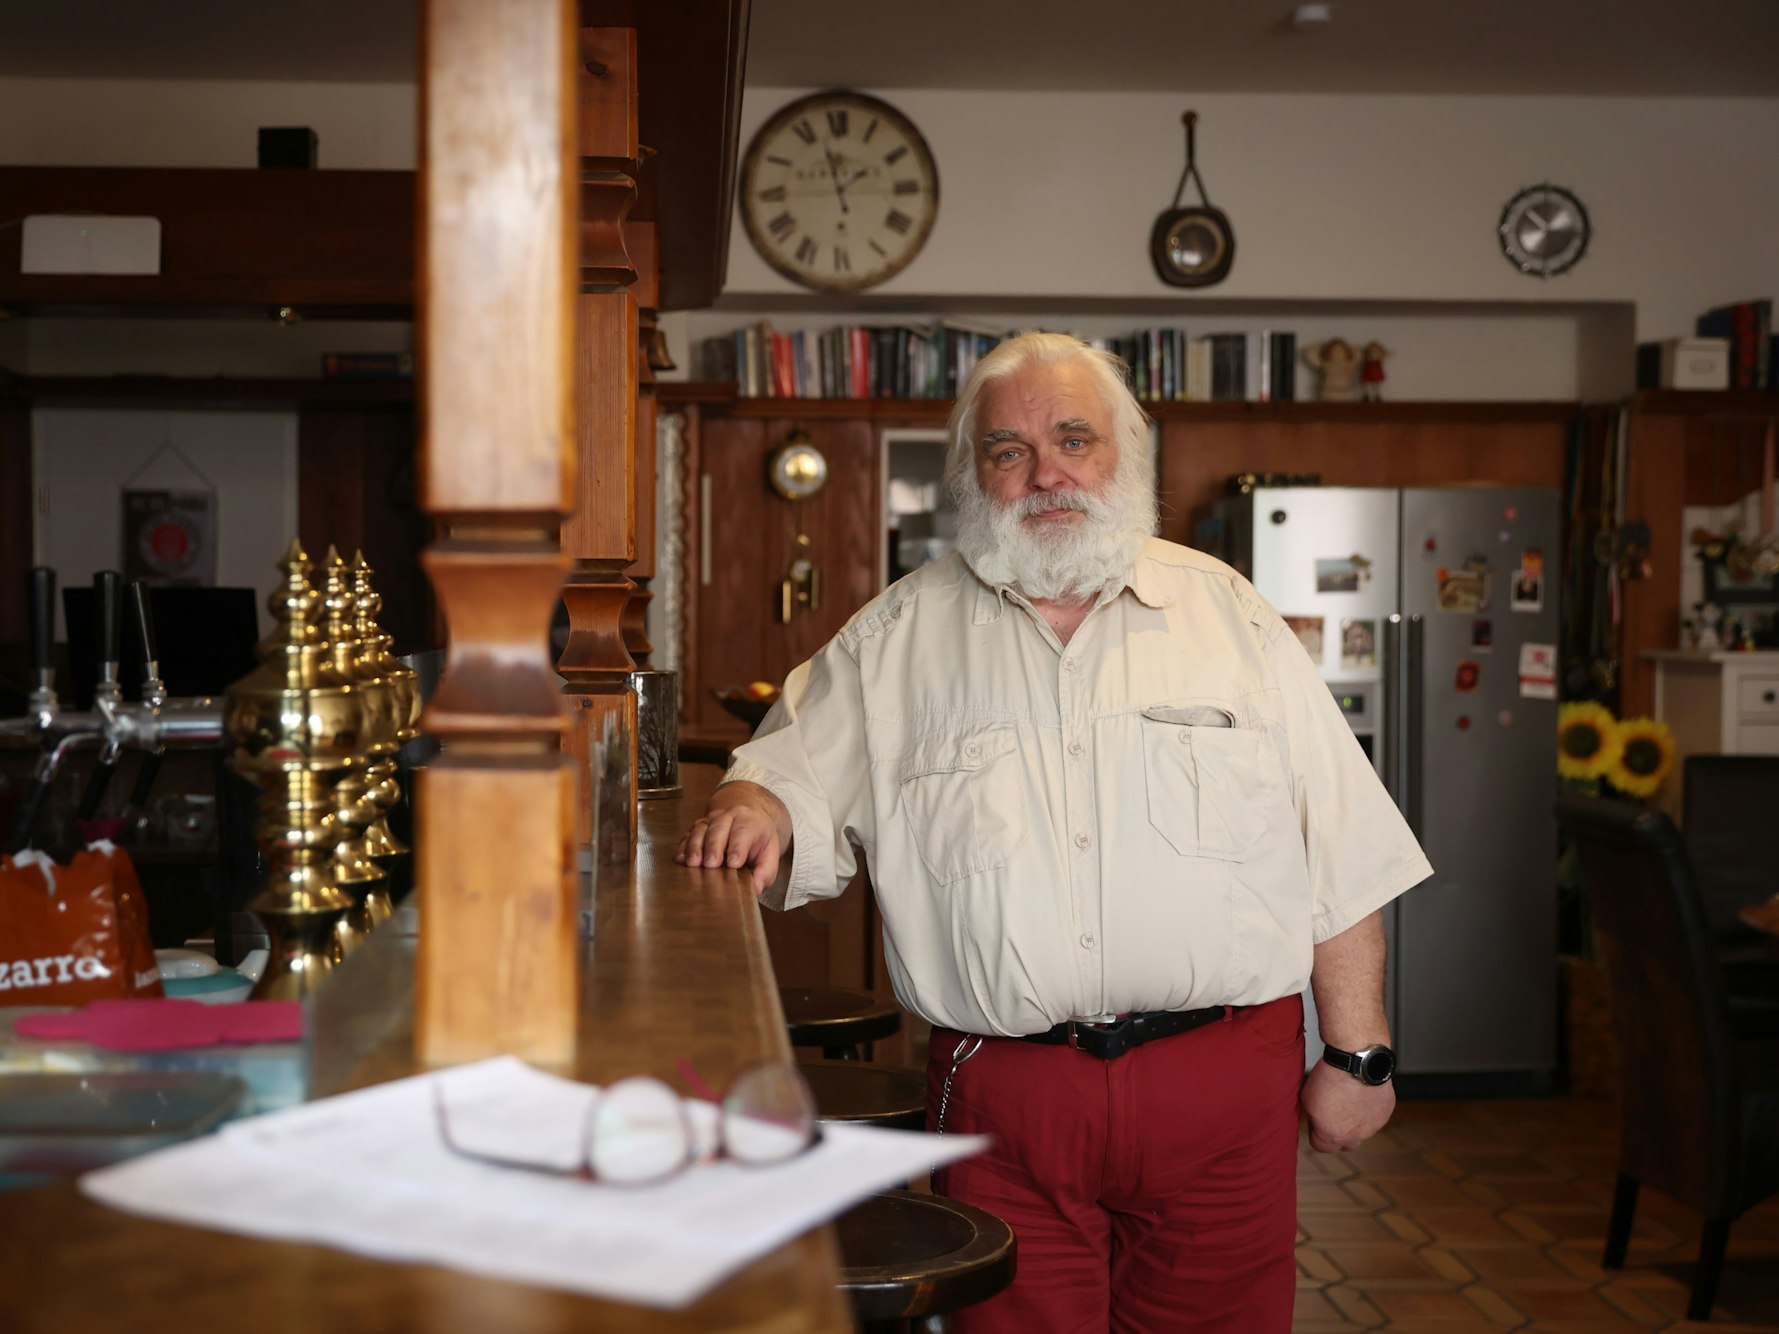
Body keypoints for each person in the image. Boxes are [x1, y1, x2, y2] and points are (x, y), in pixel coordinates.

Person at [678, 331, 1431, 1333]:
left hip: (1221, 1090)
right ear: (973, 475)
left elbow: (1341, 844)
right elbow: (784, 773)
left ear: (1126, 456)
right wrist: (756, 802)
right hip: (1007, 1097)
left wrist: (1360, 1051)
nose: (1046, 473)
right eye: (1008, 449)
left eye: (1074, 439)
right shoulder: (897, 637)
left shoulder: (1231, 619)